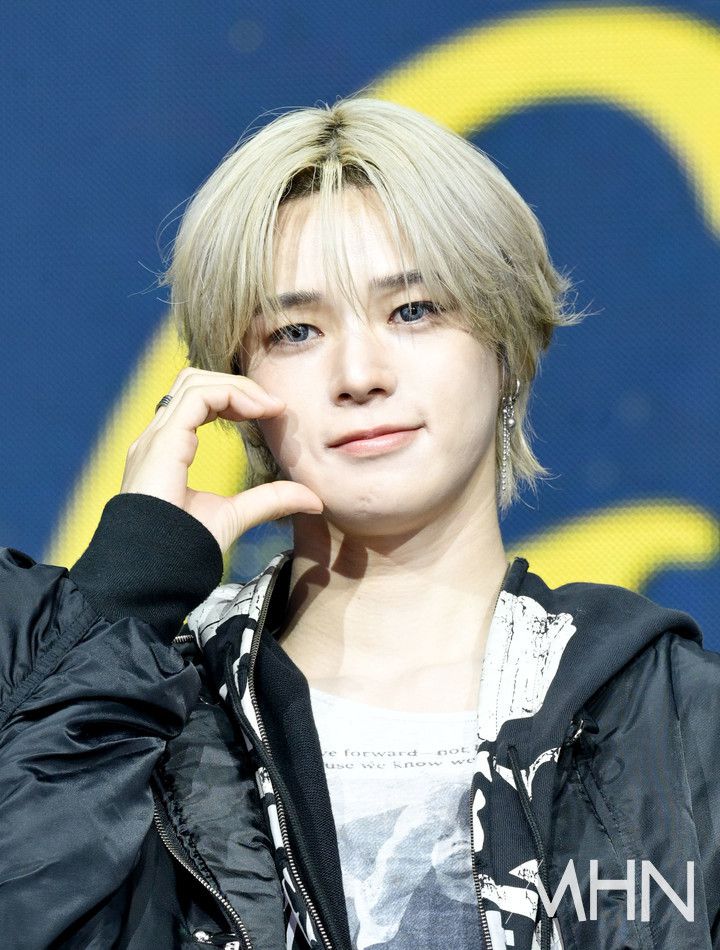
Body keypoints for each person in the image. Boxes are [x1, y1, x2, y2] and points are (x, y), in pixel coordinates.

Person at [0, 95, 717, 950]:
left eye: (413, 311)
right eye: (296, 331)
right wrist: (124, 602)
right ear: (235, 384)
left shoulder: (681, 721)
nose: (359, 373)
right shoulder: (129, 706)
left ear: (505, 345)